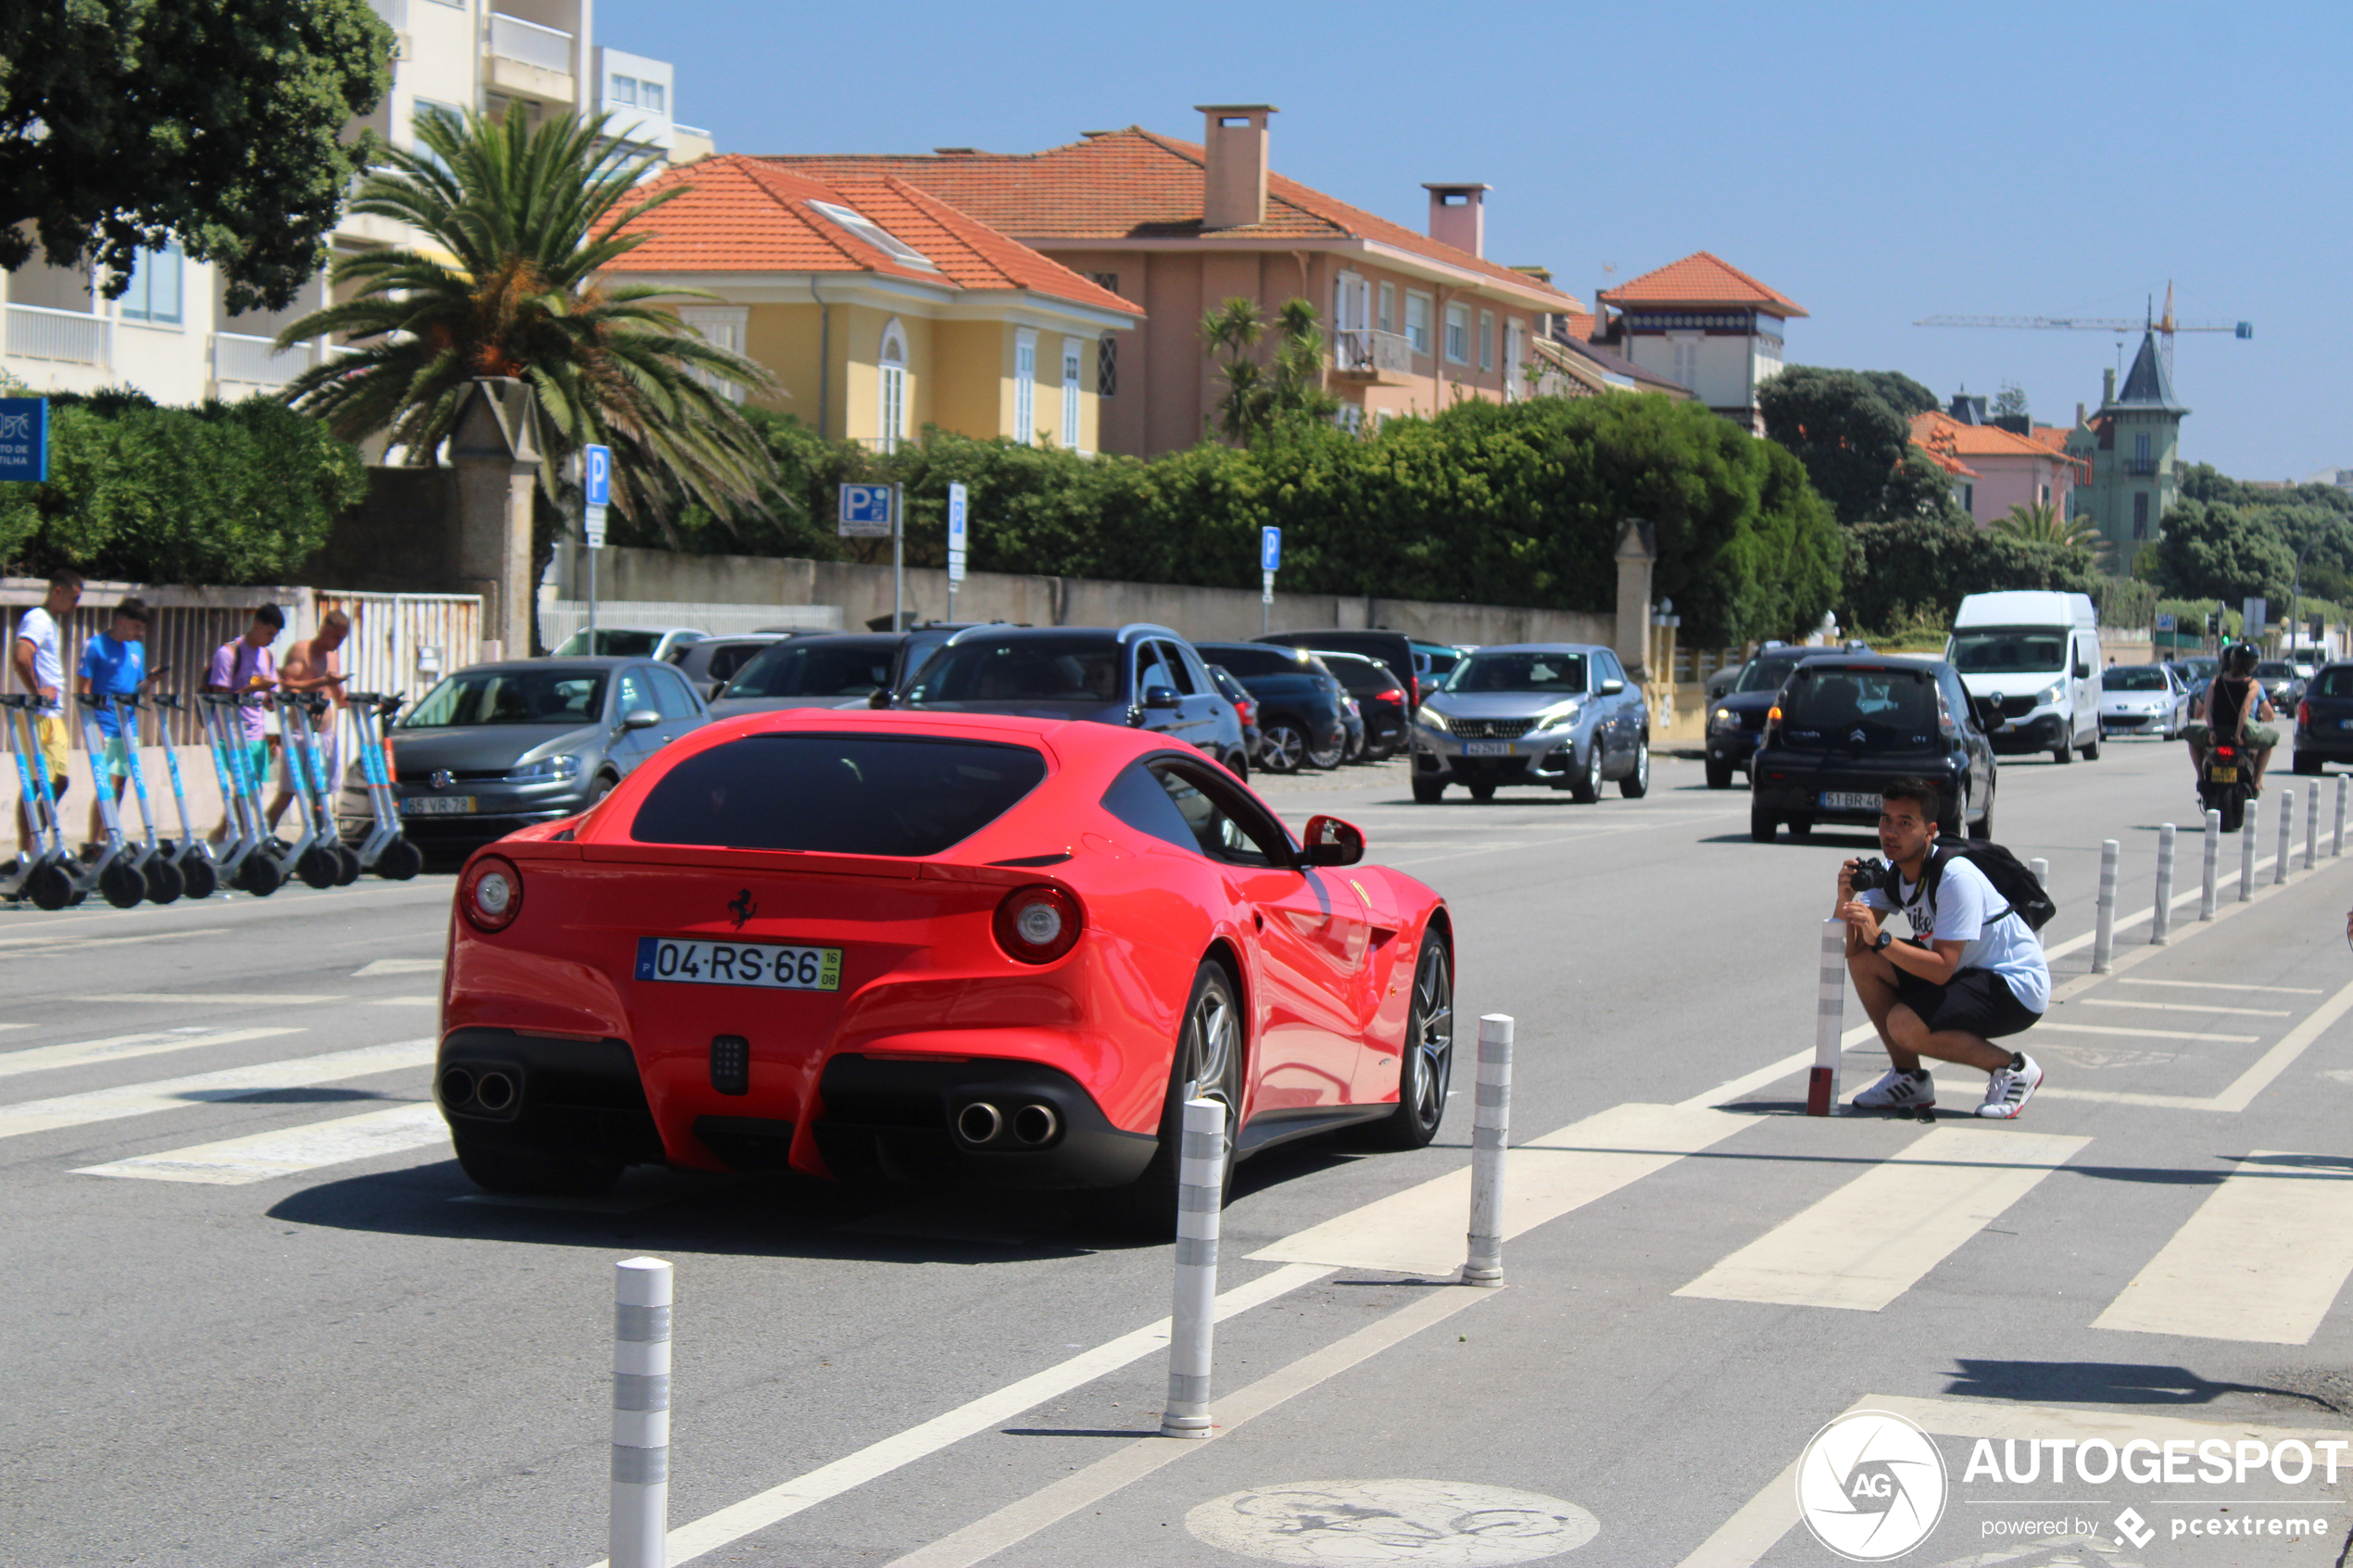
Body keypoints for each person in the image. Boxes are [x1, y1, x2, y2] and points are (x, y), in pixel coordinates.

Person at [1836, 777, 2050, 1119]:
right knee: (1866, 962)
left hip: (2014, 986)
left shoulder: (1955, 877)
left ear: (1929, 831)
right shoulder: (1893, 873)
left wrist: (1884, 940)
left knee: (1904, 1024)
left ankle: (2013, 1068)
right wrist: (1844, 899)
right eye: (1886, 819)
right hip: (1966, 975)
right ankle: (1909, 1078)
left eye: (1905, 823)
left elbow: (1941, 968)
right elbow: (1852, 949)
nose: (1891, 832)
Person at [75, 597, 161, 847]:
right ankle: (95, 843)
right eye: (136, 626)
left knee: (120, 786)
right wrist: (92, 727)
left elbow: (137, 691)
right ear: (121, 621)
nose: (139, 633)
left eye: (142, 628)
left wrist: (150, 681)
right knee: (107, 787)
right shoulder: (95, 646)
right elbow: (84, 689)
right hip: (103, 725)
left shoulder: (136, 649)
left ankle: (107, 837)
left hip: (128, 726)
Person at [11, 570, 81, 853]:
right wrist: (37, 691)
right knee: (38, 782)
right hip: (39, 714)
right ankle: (28, 848)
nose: (75, 605)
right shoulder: (37, 619)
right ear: (58, 591)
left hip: (50, 714)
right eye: (74, 598)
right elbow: (21, 657)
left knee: (58, 781)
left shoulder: (48, 622)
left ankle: (33, 839)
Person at [204, 604, 283, 842]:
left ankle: (225, 833)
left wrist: (271, 698)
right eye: (268, 634)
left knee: (252, 789)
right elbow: (221, 697)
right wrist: (252, 689)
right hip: (231, 732)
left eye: (274, 636)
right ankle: (231, 834)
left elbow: (270, 698)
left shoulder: (267, 656)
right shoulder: (228, 653)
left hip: (257, 733)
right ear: (256, 625)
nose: (270, 640)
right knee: (245, 786)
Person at [268, 608, 350, 832]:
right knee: (289, 792)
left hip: (324, 733)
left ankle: (319, 837)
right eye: (335, 637)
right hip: (300, 732)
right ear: (323, 629)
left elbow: (336, 692)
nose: (338, 643)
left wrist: (349, 700)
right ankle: (263, 836)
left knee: (321, 791)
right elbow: (286, 684)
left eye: (342, 638)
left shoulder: (332, 658)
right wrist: (320, 681)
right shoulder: (301, 651)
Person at [2183, 641, 2277, 796]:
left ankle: (2200, 777)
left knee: (2191, 737)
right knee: (2272, 739)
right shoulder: (2253, 684)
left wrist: (2212, 730)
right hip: (2242, 732)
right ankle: (2257, 780)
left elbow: (2206, 707)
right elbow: (2245, 710)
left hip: (2218, 731)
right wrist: (2239, 734)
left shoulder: (2216, 681)